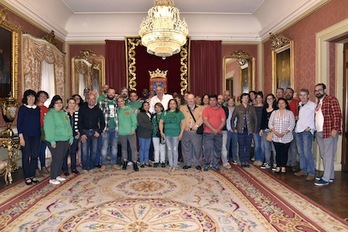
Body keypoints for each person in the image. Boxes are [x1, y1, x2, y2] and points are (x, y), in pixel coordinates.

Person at [314, 83, 342, 186]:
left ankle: (325, 179)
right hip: (319, 132)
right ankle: (330, 176)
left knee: (328, 155)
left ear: (324, 90)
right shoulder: (319, 102)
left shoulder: (331, 99)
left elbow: (337, 114)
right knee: (324, 155)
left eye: (320, 90)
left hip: (328, 131)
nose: (318, 92)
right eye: (316, 90)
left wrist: (335, 128)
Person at [44, 95, 73, 185]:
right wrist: (52, 140)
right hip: (55, 140)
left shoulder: (63, 114)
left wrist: (70, 137)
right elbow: (49, 129)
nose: (59, 104)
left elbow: (68, 126)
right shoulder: (50, 114)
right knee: (57, 158)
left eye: (60, 102)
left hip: (65, 139)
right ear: (53, 104)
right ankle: (52, 177)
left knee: (62, 157)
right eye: (57, 103)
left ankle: (57, 175)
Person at [17, 89, 41, 185]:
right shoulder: (22, 108)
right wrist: (21, 137)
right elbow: (19, 124)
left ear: (35, 98)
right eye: (29, 97)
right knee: (26, 156)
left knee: (35, 156)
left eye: (32, 97)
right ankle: (27, 176)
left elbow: (38, 123)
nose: (31, 98)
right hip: (26, 136)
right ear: (26, 98)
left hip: (36, 136)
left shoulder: (37, 109)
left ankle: (32, 175)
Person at [78, 93, 105, 172]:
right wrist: (82, 134)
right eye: (89, 99)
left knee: (94, 151)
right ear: (87, 100)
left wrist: (99, 132)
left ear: (95, 100)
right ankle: (85, 167)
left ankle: (91, 166)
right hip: (85, 132)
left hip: (94, 132)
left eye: (93, 99)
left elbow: (103, 123)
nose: (91, 100)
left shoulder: (98, 110)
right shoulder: (82, 109)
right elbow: (79, 123)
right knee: (84, 151)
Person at [268, 98, 295, 174]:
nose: (281, 105)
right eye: (279, 103)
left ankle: (283, 167)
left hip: (286, 136)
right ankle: (278, 166)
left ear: (286, 104)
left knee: (285, 152)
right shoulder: (274, 113)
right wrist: (275, 132)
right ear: (277, 105)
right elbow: (270, 124)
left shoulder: (290, 113)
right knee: (278, 152)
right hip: (276, 136)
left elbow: (292, 124)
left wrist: (284, 132)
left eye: (283, 103)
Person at [294, 89, 316, 181]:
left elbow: (316, 118)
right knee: (301, 152)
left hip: (306, 131)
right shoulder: (299, 105)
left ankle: (311, 172)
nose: (302, 97)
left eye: (304, 95)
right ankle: (303, 169)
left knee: (307, 152)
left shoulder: (313, 105)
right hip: (298, 130)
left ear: (308, 96)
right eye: (300, 95)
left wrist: (311, 127)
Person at [231, 93, 257, 168]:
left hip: (249, 130)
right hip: (240, 130)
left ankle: (246, 161)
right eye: (244, 98)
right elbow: (232, 119)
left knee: (248, 146)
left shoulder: (251, 108)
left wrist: (254, 129)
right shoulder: (238, 108)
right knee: (241, 145)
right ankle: (242, 161)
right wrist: (233, 128)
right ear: (241, 99)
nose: (246, 99)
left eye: (247, 98)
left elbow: (255, 119)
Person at [159, 99, 185, 172]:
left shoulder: (179, 113)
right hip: (167, 134)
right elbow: (161, 122)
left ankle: (175, 165)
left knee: (175, 149)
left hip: (176, 134)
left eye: (174, 103)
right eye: (171, 103)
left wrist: (181, 133)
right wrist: (161, 131)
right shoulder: (165, 113)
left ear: (176, 105)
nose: (172, 105)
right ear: (169, 105)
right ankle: (170, 164)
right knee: (169, 149)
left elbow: (183, 124)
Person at [202, 95, 226, 171]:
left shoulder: (221, 110)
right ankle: (207, 164)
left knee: (217, 149)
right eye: (211, 100)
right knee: (208, 149)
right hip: (208, 133)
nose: (212, 102)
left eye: (214, 100)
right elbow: (205, 120)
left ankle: (215, 164)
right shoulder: (206, 109)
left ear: (216, 101)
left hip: (218, 133)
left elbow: (223, 121)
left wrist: (217, 129)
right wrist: (213, 129)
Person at [180, 93, 204, 170]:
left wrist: (196, 125)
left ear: (194, 99)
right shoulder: (182, 108)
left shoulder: (201, 108)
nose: (190, 100)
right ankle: (187, 163)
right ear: (186, 99)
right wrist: (184, 127)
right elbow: (180, 119)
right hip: (186, 131)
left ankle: (197, 163)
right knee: (186, 148)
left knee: (197, 148)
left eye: (192, 98)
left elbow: (202, 117)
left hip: (195, 132)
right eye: (188, 98)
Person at [99, 88, 119, 171]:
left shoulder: (116, 103)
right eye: (109, 93)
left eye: (113, 93)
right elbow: (99, 117)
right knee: (104, 147)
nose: (111, 94)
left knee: (114, 147)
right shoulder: (102, 102)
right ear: (107, 93)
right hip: (105, 129)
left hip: (115, 128)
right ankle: (103, 164)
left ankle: (113, 163)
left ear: (114, 94)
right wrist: (101, 128)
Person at [117, 96, 139, 171]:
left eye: (121, 101)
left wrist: (133, 129)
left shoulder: (130, 110)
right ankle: (125, 162)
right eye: (118, 101)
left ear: (124, 101)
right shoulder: (117, 111)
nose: (120, 103)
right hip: (122, 132)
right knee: (124, 148)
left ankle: (135, 163)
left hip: (130, 132)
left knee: (133, 148)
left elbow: (134, 121)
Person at [62, 98, 80, 176]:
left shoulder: (77, 113)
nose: (72, 105)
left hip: (75, 134)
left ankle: (73, 168)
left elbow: (79, 124)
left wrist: (78, 132)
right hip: (66, 135)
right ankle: (65, 169)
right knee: (65, 152)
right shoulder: (63, 113)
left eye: (73, 103)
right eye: (70, 103)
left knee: (73, 152)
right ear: (67, 103)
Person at [259, 94, 277, 170]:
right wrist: (261, 129)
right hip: (265, 130)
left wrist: (273, 130)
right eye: (268, 99)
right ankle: (267, 163)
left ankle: (275, 163)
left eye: (271, 99)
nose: (269, 100)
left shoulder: (276, 109)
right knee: (266, 147)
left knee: (274, 148)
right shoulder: (264, 108)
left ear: (273, 99)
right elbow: (262, 120)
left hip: (274, 131)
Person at [284, 87, 299, 171]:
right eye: (287, 92)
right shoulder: (283, 103)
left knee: (293, 146)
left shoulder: (297, 103)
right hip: (284, 128)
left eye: (290, 92)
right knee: (286, 146)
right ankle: (286, 163)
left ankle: (292, 164)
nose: (288, 94)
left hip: (293, 127)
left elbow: (300, 113)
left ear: (292, 94)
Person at [36, 90, 50, 177]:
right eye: (42, 96)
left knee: (42, 150)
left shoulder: (46, 109)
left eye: (45, 96)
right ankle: (36, 168)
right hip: (36, 131)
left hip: (45, 131)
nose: (43, 98)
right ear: (38, 97)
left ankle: (43, 166)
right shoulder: (35, 107)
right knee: (36, 150)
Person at [137, 101, 153, 168]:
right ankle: (141, 162)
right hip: (142, 133)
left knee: (147, 148)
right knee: (142, 148)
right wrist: (151, 127)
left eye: (148, 105)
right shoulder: (140, 114)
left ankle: (146, 161)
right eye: (145, 105)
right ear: (143, 107)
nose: (147, 106)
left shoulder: (150, 113)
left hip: (148, 134)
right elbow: (141, 123)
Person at [217, 94, 230, 169]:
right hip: (214, 130)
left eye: (222, 99)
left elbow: (224, 119)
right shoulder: (213, 108)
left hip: (223, 130)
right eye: (219, 99)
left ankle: (225, 162)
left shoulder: (225, 109)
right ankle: (214, 161)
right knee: (215, 147)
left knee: (223, 146)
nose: (220, 100)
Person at [152, 102, 166, 167]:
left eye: (158, 107)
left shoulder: (164, 115)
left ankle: (162, 161)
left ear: (161, 108)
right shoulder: (153, 115)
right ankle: (156, 161)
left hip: (162, 133)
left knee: (162, 148)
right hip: (155, 134)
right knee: (156, 148)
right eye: (156, 107)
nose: (157, 108)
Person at [253, 92, 265, 166]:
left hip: (263, 128)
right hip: (255, 128)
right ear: (255, 99)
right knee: (257, 145)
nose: (259, 99)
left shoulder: (264, 107)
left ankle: (261, 159)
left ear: (262, 98)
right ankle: (256, 158)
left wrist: (263, 128)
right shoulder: (253, 107)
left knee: (262, 145)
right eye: (257, 98)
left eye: (260, 97)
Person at [225, 97, 238, 165]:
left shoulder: (237, 109)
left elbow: (238, 120)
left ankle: (234, 159)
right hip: (228, 130)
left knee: (234, 145)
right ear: (227, 102)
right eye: (229, 101)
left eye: (232, 101)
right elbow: (226, 120)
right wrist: (229, 128)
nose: (231, 102)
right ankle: (226, 158)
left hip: (235, 130)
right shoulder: (225, 109)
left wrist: (235, 128)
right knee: (227, 145)